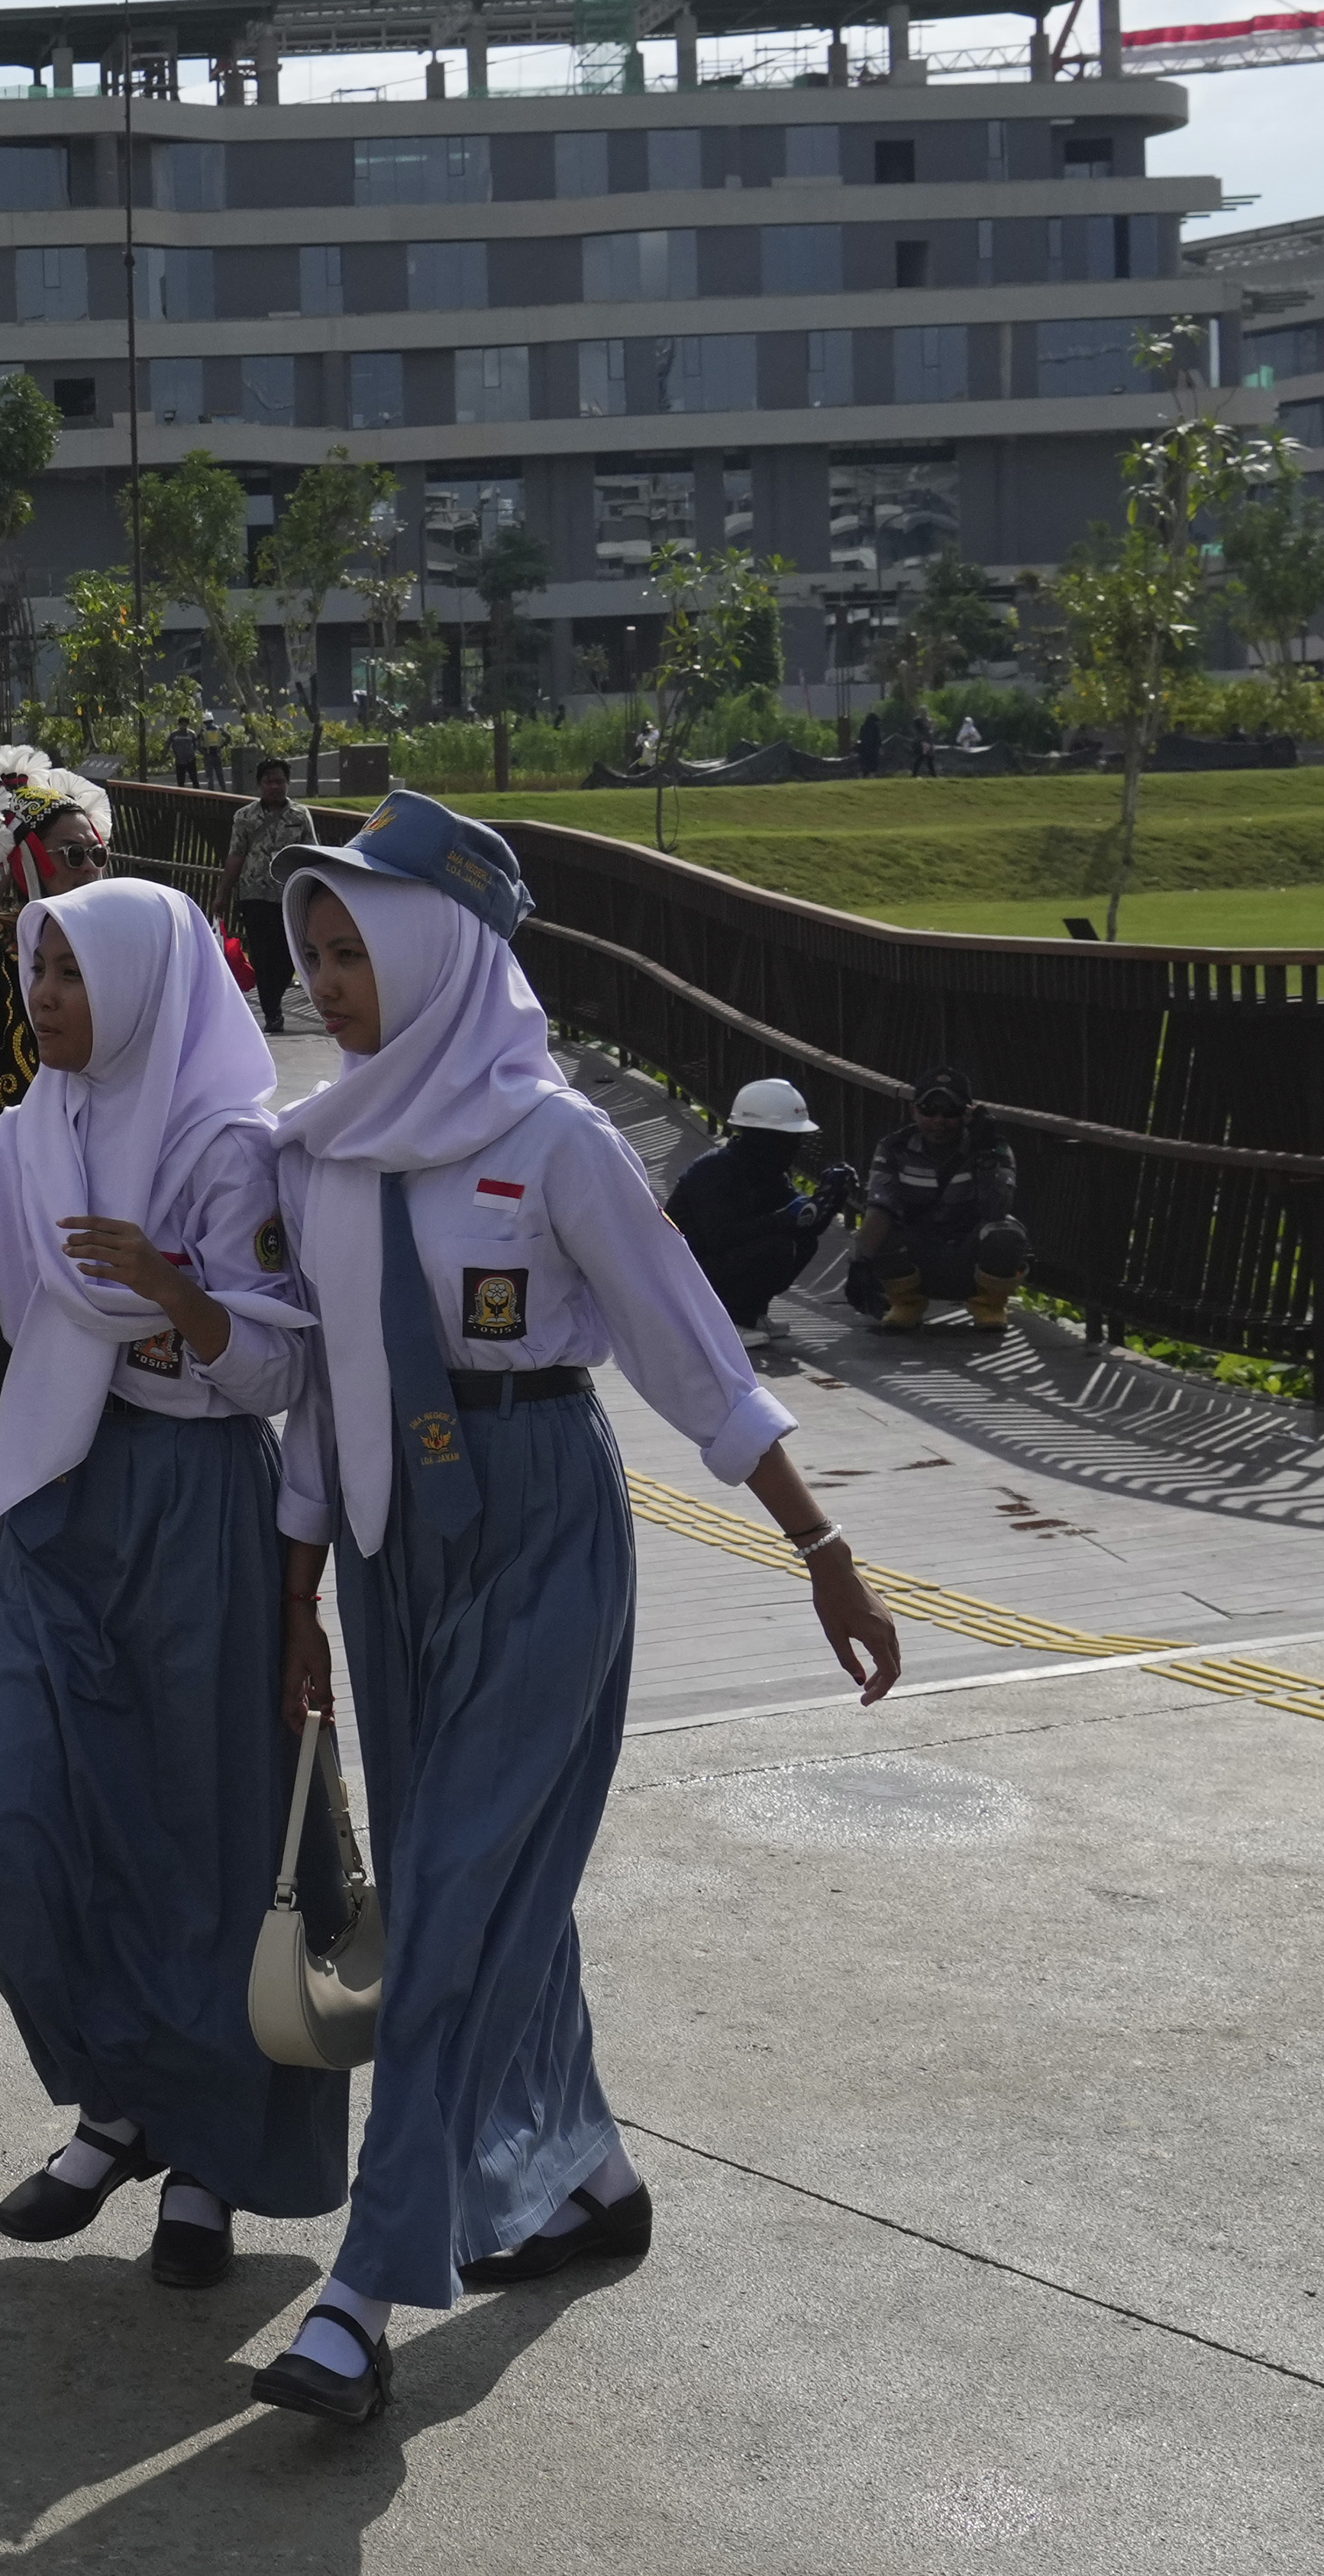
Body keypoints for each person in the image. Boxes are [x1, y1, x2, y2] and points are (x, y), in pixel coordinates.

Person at [252, 796, 900, 2427]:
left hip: (539, 1520)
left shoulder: (555, 1143)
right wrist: (299, 1590)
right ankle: (584, 2170)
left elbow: (696, 1353)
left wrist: (822, 1549)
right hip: (399, 1547)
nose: (327, 983)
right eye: (314, 952)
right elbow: (328, 1390)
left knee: (459, 1900)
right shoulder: (319, 1150)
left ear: (442, 957)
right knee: (472, 1884)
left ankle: (366, 2286)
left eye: (357, 953)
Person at [0, 875, 332, 2285]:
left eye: (73, 976)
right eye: (36, 973)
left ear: (147, 985)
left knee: (200, 1849)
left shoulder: (227, 1144)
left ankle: (203, 2157)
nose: (45, 1000)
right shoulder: (24, 1143)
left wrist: (179, 1295)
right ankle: (117, 2096)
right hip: (51, 1500)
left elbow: (281, 1367)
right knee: (3, 1835)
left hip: (194, 1504)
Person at [0, 744, 119, 1113]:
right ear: (26, 862)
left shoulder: (118, 944)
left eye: (96, 854)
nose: (89, 868)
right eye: (73, 855)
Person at [664, 1077, 853, 1335]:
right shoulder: (714, 1171)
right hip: (683, 1277)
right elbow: (720, 1238)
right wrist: (782, 1221)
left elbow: (801, 1225)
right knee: (776, 1246)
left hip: (712, 1266)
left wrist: (828, 1202)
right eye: (788, 1138)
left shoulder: (769, 1173)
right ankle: (726, 1322)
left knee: (804, 1243)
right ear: (761, 1136)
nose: (794, 1147)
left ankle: (750, 1313)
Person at [843, 1068, 1027, 1332]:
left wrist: (987, 1156)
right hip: (917, 1256)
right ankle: (906, 1304)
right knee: (880, 1230)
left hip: (968, 1257)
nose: (939, 1121)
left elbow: (996, 1209)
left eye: (950, 1112)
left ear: (967, 1114)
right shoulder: (893, 1147)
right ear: (914, 1111)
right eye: (929, 1110)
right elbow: (879, 1209)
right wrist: (860, 1264)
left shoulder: (993, 1148)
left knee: (1006, 1233)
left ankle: (989, 1306)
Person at [220, 763, 307, 1038]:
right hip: (254, 894)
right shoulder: (245, 817)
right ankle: (272, 1012)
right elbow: (236, 855)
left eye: (279, 782)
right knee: (261, 953)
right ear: (260, 785)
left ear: (287, 784)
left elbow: (311, 850)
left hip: (289, 894)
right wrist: (222, 892)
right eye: (269, 782)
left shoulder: (301, 815)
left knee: (288, 953)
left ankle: (275, 998)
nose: (274, 787)